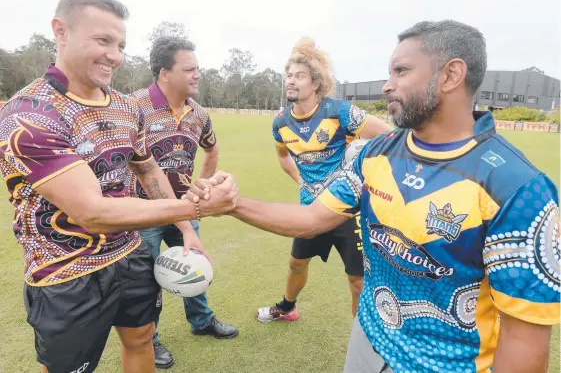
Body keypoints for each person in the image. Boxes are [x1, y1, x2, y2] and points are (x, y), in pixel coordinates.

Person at [190, 21, 560, 372]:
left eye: (401, 71)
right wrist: (233, 204)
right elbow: (311, 219)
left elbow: (523, 336)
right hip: (368, 340)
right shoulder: (374, 154)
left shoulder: (519, 188)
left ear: (450, 75)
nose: (386, 86)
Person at [0, 0, 236, 373]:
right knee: (68, 368)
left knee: (141, 338)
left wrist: (186, 227)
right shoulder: (29, 114)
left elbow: (148, 170)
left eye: (121, 44)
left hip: (131, 253)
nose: (115, 55)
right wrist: (198, 207)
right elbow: (92, 212)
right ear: (60, 31)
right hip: (67, 271)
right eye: (103, 40)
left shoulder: (125, 107)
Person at [257, 38, 392, 322]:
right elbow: (283, 158)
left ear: (316, 83)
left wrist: (358, 166)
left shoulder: (339, 111)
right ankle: (287, 307)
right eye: (289, 76)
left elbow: (388, 136)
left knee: (357, 280)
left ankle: (362, 334)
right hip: (310, 210)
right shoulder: (280, 122)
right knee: (296, 265)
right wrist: (300, 181)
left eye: (299, 76)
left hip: (347, 211)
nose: (291, 81)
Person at [129, 36, 238, 370]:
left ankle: (202, 321)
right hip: (141, 212)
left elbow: (212, 150)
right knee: (147, 279)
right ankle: (150, 339)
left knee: (194, 264)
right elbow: (139, 169)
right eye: (189, 69)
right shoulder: (134, 107)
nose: (197, 75)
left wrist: (199, 189)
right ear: (165, 73)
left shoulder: (199, 113)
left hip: (186, 207)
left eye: (197, 69)